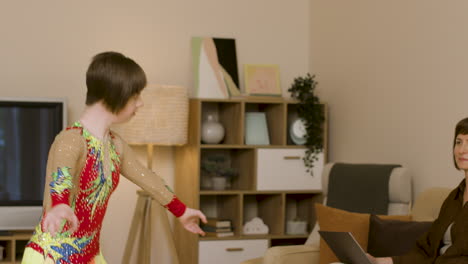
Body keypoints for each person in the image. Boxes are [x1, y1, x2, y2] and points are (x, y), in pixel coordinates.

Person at [22, 51, 207, 264]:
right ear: (115, 94)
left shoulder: (115, 145)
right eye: (135, 95)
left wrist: (181, 211)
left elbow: (146, 177)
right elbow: (61, 173)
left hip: (91, 256)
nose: (140, 104)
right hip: (51, 258)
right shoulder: (71, 139)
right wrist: (61, 203)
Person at [368, 117, 468, 264]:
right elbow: (426, 250)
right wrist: (380, 261)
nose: (461, 150)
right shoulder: (454, 198)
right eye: (458, 142)